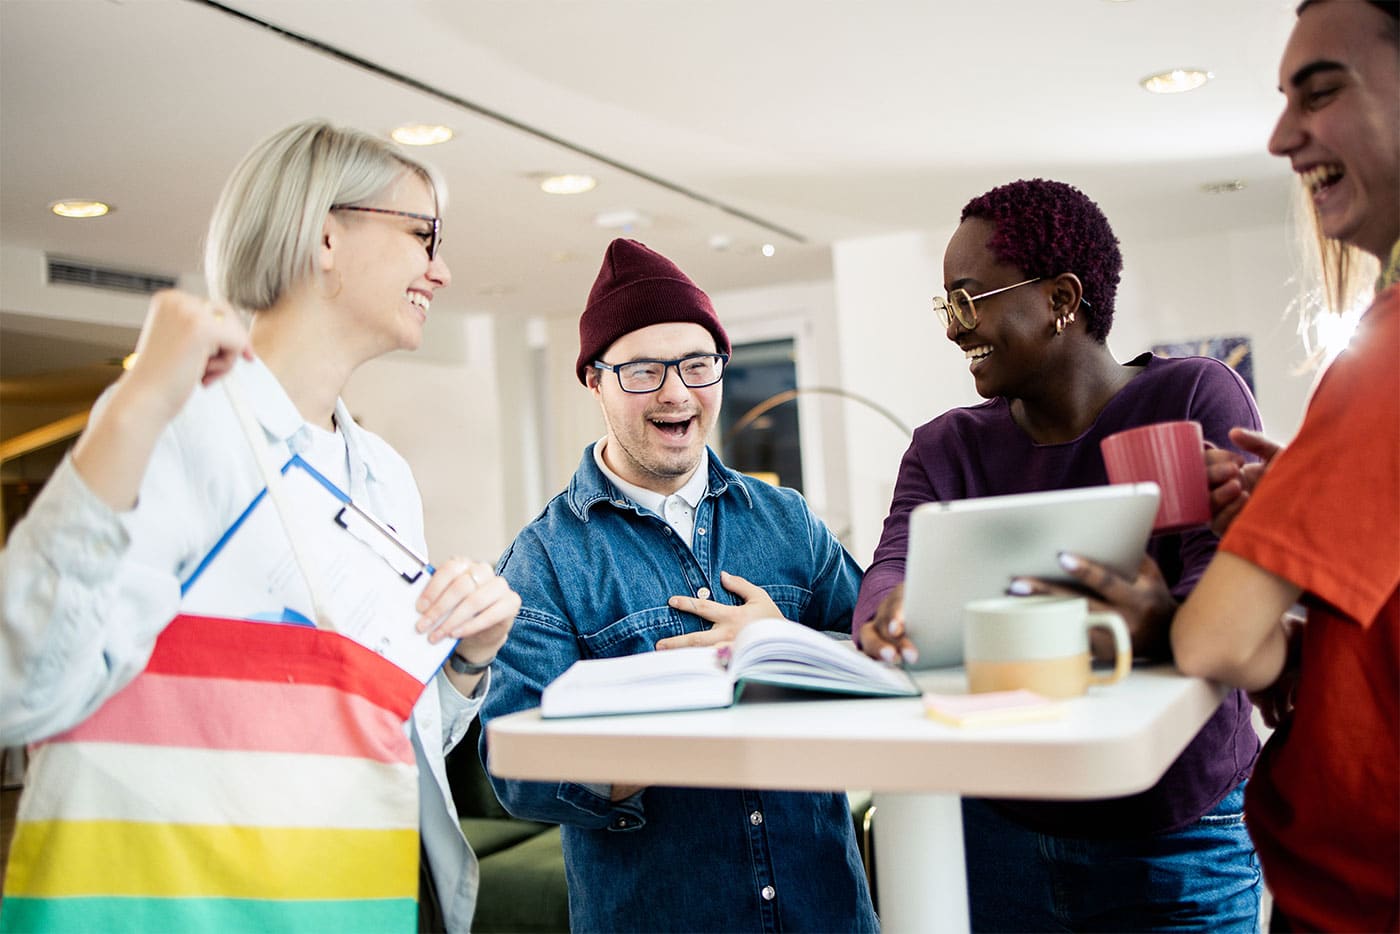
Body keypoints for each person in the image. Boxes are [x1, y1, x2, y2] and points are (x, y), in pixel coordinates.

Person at [0, 119, 520, 933]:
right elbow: (21, 689)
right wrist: (135, 408)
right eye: (424, 235)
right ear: (324, 235)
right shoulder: (180, 422)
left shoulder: (383, 475)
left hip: (369, 895)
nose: (442, 270)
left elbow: (383, 731)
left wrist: (466, 666)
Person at [1052, 2, 1399, 930]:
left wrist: (1168, 617)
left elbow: (1216, 643)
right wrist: (1302, 508)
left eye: (1320, 93)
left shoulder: (1385, 360)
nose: (1284, 136)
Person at [855, 178, 1264, 931]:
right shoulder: (948, 446)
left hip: (1173, 836)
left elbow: (1224, 584)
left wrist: (1164, 618)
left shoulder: (1195, 397)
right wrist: (889, 610)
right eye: (947, 304)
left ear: (1062, 299)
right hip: (998, 833)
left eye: (969, 298)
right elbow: (891, 566)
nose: (954, 327)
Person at [478, 237, 878, 932]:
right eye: (642, 371)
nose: (676, 392)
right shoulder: (542, 560)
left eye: (698, 364)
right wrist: (675, 725)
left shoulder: (787, 522)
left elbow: (886, 652)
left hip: (827, 909)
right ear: (595, 381)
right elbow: (516, 769)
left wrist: (781, 646)